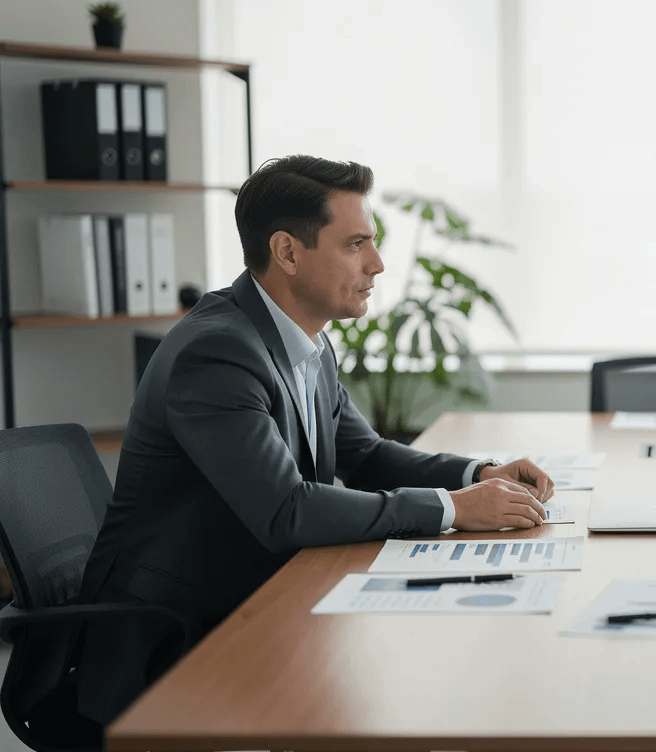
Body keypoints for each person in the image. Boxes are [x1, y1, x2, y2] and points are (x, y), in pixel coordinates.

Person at [73, 155, 555, 726]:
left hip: (258, 604)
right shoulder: (217, 354)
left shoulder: (306, 342)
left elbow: (365, 455)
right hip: (177, 644)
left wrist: (476, 476)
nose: (377, 264)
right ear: (288, 252)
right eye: (356, 244)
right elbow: (286, 509)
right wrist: (453, 509)